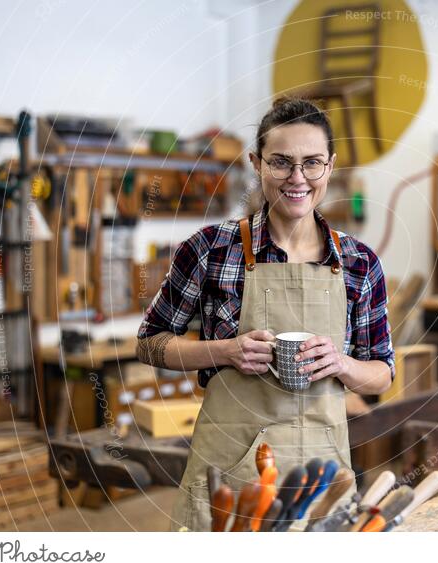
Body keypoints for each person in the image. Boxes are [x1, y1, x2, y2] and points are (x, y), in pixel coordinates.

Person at [136, 97, 395, 531]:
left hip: (321, 478)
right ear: (257, 164)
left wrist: (342, 364)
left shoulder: (359, 262)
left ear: (329, 167)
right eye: (281, 163)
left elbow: (383, 373)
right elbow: (150, 343)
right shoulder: (209, 250)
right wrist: (226, 351)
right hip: (229, 474)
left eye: (312, 163)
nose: (297, 179)